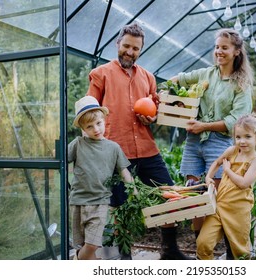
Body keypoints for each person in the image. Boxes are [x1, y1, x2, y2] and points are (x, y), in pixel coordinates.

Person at [86, 22, 190, 260]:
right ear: (117, 44)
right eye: (126, 46)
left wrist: (151, 117)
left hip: (146, 148)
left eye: (135, 48)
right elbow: (90, 114)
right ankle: (124, 256)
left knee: (166, 194)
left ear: (140, 50)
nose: (129, 52)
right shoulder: (101, 74)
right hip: (115, 152)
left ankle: (170, 251)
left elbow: (154, 112)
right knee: (120, 207)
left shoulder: (148, 77)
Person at [170, 28, 254, 258]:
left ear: (236, 52)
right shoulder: (206, 74)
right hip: (193, 142)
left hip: (220, 142)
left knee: (220, 198)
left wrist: (204, 125)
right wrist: (169, 95)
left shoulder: (241, 84)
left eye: (224, 48)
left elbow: (236, 121)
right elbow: (178, 79)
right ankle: (202, 254)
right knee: (195, 196)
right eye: (217, 47)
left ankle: (230, 254)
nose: (219, 51)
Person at [68, 96, 133, 260]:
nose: (96, 129)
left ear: (104, 121)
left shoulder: (113, 148)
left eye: (98, 123)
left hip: (100, 201)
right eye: (89, 126)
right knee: (83, 244)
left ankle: (76, 259)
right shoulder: (78, 144)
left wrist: (135, 192)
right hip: (78, 200)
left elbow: (124, 171)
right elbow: (61, 160)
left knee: (93, 244)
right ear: (83, 128)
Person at [196, 113, 256, 260]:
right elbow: (216, 162)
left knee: (240, 251)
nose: (242, 141)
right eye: (238, 137)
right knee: (203, 243)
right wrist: (209, 177)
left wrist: (227, 170)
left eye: (247, 136)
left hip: (238, 210)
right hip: (220, 206)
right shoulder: (231, 151)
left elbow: (243, 184)